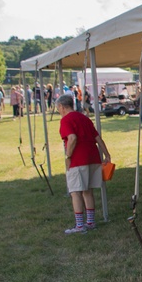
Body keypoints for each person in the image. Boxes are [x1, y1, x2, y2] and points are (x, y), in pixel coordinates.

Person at [56, 94, 111, 234]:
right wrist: (106, 154)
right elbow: (97, 138)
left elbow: (72, 138)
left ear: (62, 107)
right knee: (88, 190)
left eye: (58, 108)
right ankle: (91, 222)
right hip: (93, 157)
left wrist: (68, 156)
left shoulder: (66, 120)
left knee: (75, 192)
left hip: (78, 160)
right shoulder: (85, 118)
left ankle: (80, 225)